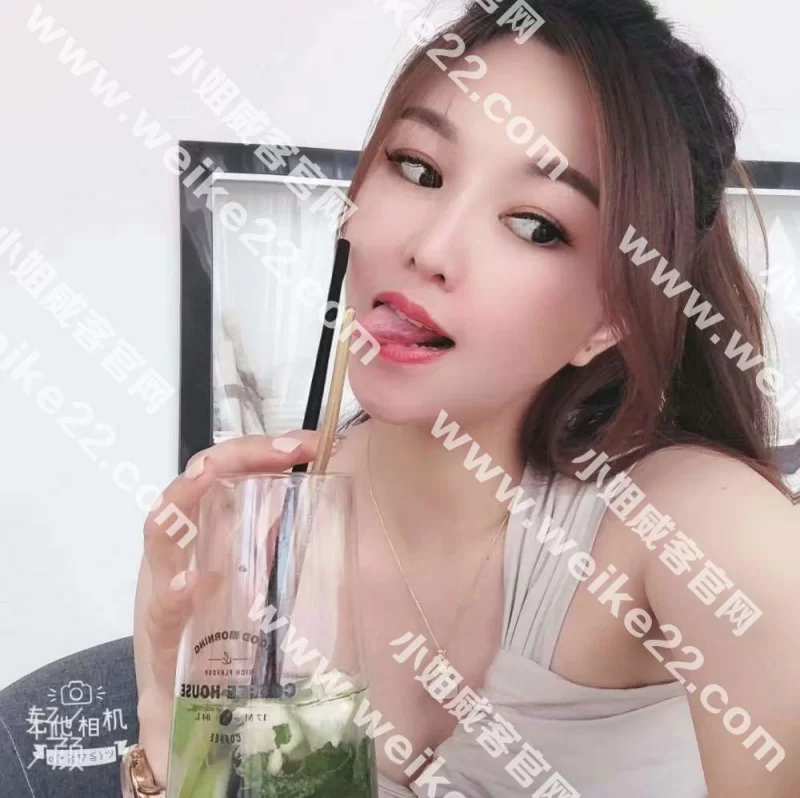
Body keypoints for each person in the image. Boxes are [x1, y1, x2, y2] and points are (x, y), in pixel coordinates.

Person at [127, 1, 800, 796]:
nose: (431, 248)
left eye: (536, 225)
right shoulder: (264, 534)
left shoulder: (688, 522)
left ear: (611, 318)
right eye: (418, 170)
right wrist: (162, 723)